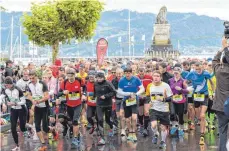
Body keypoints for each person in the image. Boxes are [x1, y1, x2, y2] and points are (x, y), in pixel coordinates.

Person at [185, 62, 214, 145]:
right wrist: (188, 87)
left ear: (202, 68)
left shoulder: (206, 73)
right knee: (199, 116)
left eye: (200, 69)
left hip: (204, 95)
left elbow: (211, 82)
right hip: (196, 96)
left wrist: (213, 92)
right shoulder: (191, 73)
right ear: (194, 69)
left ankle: (202, 135)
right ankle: (202, 124)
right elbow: (185, 81)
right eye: (196, 69)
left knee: (202, 115)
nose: (198, 71)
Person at [57, 68, 86, 147]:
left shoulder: (79, 80)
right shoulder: (65, 82)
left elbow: (85, 87)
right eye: (69, 76)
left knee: (75, 121)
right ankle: (77, 133)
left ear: (74, 75)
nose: (70, 78)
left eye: (72, 76)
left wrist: (84, 94)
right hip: (69, 105)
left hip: (78, 104)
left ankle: (75, 138)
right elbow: (58, 94)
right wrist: (63, 92)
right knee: (72, 121)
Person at [27, 70, 54, 151]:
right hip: (37, 108)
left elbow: (47, 97)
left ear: (36, 76)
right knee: (37, 126)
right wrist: (33, 101)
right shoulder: (29, 84)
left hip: (45, 107)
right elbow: (28, 95)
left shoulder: (42, 84)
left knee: (45, 128)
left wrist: (39, 101)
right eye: (30, 78)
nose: (32, 80)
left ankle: (53, 131)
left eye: (33, 78)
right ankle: (43, 144)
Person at [146, 70, 173, 149]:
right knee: (153, 125)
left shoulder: (166, 86)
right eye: (154, 76)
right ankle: (156, 134)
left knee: (163, 127)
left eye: (158, 76)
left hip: (164, 109)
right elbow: (148, 96)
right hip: (154, 108)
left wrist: (163, 99)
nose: (156, 78)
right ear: (152, 77)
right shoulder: (149, 86)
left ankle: (163, 141)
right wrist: (149, 103)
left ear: (161, 77)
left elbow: (171, 98)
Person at [118, 67, 144, 142]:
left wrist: (136, 94)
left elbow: (142, 89)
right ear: (124, 73)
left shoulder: (136, 79)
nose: (127, 75)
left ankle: (133, 133)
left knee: (134, 118)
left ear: (131, 73)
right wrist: (128, 93)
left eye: (129, 73)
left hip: (134, 100)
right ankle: (130, 132)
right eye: (126, 73)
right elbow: (119, 91)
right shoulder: (122, 80)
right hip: (126, 100)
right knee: (128, 119)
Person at [212, 37, 229, 151]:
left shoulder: (218, 70)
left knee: (222, 130)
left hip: (220, 105)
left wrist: (223, 47)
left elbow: (214, 60)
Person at [2, 76, 27, 151]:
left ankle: (28, 128)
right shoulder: (6, 90)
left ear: (11, 84)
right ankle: (17, 146)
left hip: (21, 109)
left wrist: (15, 103)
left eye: (7, 85)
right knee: (13, 128)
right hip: (13, 110)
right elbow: (1, 97)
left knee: (22, 127)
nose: (6, 86)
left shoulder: (18, 89)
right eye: (5, 85)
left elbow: (23, 101)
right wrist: (3, 103)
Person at [94, 71, 116, 145]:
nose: (99, 79)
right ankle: (102, 138)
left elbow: (114, 92)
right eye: (98, 78)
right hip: (99, 104)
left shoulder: (108, 83)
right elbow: (95, 92)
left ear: (103, 78)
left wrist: (106, 96)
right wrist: (93, 97)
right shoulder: (95, 83)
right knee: (100, 120)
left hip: (107, 104)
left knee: (107, 120)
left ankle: (112, 126)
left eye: (101, 78)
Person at [169, 67, 189, 137]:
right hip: (173, 99)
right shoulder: (170, 80)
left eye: (177, 73)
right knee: (173, 113)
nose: (176, 74)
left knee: (180, 114)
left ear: (180, 73)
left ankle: (181, 128)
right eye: (174, 73)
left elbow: (187, 91)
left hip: (181, 100)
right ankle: (175, 125)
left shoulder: (183, 81)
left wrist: (181, 89)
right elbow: (168, 89)